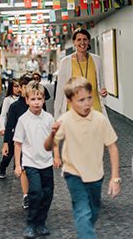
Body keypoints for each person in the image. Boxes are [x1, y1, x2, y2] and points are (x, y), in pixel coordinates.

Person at [45, 77, 121, 239]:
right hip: (73, 174)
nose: (87, 103)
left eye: (89, 98)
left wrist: (115, 178)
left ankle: (85, 232)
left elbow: (112, 147)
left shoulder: (100, 119)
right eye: (81, 100)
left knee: (93, 211)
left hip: (96, 174)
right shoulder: (64, 120)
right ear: (70, 101)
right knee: (83, 211)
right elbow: (48, 146)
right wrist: (52, 134)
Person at [14, 81, 61, 239]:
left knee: (48, 193)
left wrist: (56, 156)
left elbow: (54, 139)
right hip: (31, 163)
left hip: (46, 162)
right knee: (36, 192)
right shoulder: (23, 120)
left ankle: (41, 223)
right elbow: (18, 144)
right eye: (33, 99)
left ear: (43, 100)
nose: (36, 102)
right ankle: (31, 224)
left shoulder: (48, 118)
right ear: (27, 100)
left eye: (39, 99)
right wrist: (17, 165)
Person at [54, 28, 107, 120]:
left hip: (95, 108)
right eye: (79, 40)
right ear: (74, 42)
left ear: (88, 41)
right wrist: (56, 115)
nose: (82, 42)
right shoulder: (66, 62)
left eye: (85, 39)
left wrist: (103, 92)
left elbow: (101, 85)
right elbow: (60, 90)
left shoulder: (97, 60)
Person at [0, 74, 32, 209]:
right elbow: (9, 125)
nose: (24, 90)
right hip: (17, 140)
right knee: (20, 165)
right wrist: (6, 143)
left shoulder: (37, 103)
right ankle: (26, 196)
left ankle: (32, 192)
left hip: (33, 142)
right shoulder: (15, 106)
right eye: (23, 87)